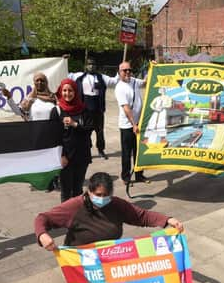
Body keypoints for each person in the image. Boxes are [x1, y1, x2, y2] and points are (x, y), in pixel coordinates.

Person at [34, 172, 184, 249]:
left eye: (106, 195)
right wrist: (43, 236)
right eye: (98, 195)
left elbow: (142, 216)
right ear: (89, 192)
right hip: (80, 258)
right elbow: (42, 218)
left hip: (109, 256)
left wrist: (167, 220)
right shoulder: (75, 205)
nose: (102, 198)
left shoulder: (116, 204)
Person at [68, 58, 117, 160]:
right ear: (86, 66)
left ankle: (101, 150)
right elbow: (64, 73)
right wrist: (64, 61)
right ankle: (87, 151)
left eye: (93, 64)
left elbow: (114, 81)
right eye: (89, 64)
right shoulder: (78, 76)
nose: (91, 66)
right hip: (84, 110)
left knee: (99, 131)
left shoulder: (101, 77)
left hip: (98, 109)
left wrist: (120, 70)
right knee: (86, 132)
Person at [56, 78, 93, 202]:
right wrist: (61, 155)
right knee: (66, 191)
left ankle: (78, 215)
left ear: (75, 92)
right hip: (66, 157)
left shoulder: (84, 110)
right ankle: (65, 218)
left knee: (78, 189)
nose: (67, 93)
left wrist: (75, 124)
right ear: (61, 92)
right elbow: (54, 136)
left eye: (70, 90)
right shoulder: (57, 110)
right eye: (64, 90)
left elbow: (89, 129)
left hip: (82, 156)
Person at [115, 61, 149, 184]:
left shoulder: (134, 81)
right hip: (127, 125)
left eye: (129, 70)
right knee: (126, 152)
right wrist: (134, 124)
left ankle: (139, 175)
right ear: (119, 72)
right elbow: (126, 108)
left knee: (139, 151)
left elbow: (145, 82)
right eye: (125, 70)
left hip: (139, 123)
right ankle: (125, 176)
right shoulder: (120, 88)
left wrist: (152, 68)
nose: (128, 72)